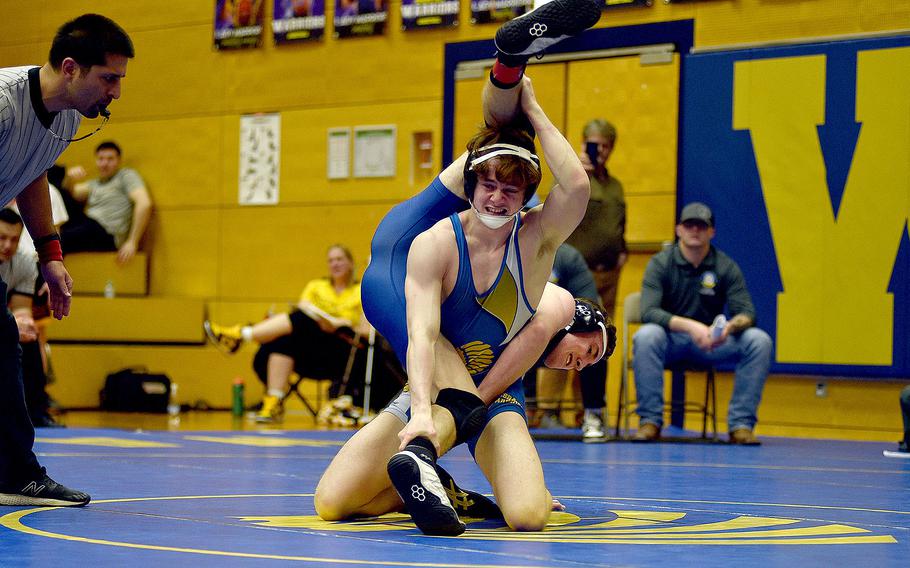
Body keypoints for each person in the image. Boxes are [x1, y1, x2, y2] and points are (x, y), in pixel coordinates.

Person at [315, 0, 610, 536]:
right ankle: (510, 66)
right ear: (583, 322)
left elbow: (569, 188)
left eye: (582, 366)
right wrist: (427, 412)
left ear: (524, 199)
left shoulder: (530, 235)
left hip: (466, 378)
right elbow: (425, 335)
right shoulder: (551, 297)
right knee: (506, 134)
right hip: (401, 265)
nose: (576, 364)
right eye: (585, 353)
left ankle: (508, 64)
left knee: (527, 514)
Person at [0, 13, 134, 507]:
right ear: (72, 68)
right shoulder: (3, 104)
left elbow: (31, 176)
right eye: (110, 78)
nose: (116, 92)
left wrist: (51, 255)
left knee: (2, 346)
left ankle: (15, 474)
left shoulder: (68, 118)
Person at [204, 244, 398, 423]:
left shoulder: (360, 290)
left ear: (350, 263)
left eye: (340, 259)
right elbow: (303, 309)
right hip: (311, 348)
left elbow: (368, 331)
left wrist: (340, 323)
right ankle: (273, 404)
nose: (335, 263)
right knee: (285, 339)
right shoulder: (316, 286)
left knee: (299, 320)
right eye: (331, 260)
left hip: (342, 352)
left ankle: (241, 334)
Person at [632, 202, 773, 445]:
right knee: (646, 335)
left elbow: (747, 312)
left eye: (701, 226)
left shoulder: (725, 265)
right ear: (678, 230)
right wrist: (691, 326)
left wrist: (727, 329)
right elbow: (649, 311)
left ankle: (741, 425)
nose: (695, 230)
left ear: (712, 232)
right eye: (689, 225)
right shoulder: (661, 263)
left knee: (759, 341)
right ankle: (650, 421)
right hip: (670, 341)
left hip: (712, 342)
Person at [531, 242, 609, 440]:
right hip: (517, 322)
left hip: (561, 323)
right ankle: (521, 409)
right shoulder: (506, 247)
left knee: (594, 341)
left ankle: (593, 413)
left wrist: (560, 322)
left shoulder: (567, 257)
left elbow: (590, 302)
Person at [0, 209, 59, 428]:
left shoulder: (24, 263)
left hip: (3, 319)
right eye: (2, 238)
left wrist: (23, 324)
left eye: (14, 239)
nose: (7, 245)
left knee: (29, 336)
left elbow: (21, 309)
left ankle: (37, 411)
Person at [566, 118, 627, 319]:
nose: (600, 150)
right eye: (594, 144)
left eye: (605, 145)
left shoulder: (615, 185)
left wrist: (622, 251)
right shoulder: (572, 179)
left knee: (607, 329)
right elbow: (558, 209)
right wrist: (578, 177)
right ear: (584, 144)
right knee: (581, 327)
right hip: (580, 272)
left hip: (610, 272)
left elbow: (619, 221)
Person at [59, 141, 152, 265]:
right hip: (89, 226)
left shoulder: (125, 176)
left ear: (119, 161)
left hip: (107, 234)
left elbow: (144, 203)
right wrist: (69, 178)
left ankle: (46, 279)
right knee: (58, 190)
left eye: (110, 159)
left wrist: (132, 242)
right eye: (101, 159)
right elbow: (70, 194)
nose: (104, 164)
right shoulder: (95, 183)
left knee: (63, 237)